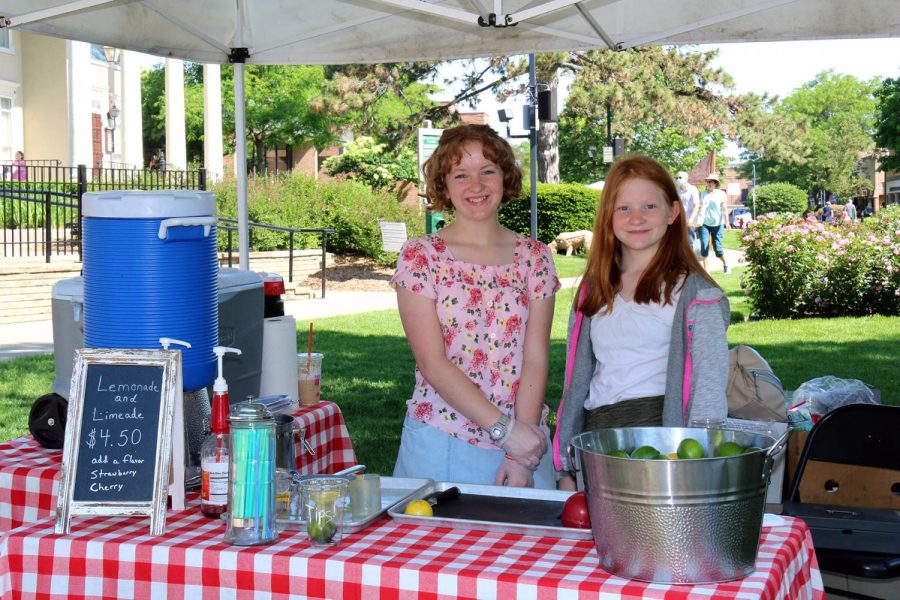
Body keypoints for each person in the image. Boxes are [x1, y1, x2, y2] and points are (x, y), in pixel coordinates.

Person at [390, 124, 560, 489]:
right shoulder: (421, 256)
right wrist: (505, 430)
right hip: (443, 438)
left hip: (523, 445)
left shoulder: (535, 257)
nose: (476, 186)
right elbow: (433, 363)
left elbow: (536, 358)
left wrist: (519, 451)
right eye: (461, 175)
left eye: (487, 171)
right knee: (440, 547)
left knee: (529, 546)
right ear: (444, 187)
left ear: (505, 177)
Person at [553, 155, 730, 490]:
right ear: (608, 216)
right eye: (623, 208)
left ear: (673, 213)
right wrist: (567, 467)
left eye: (649, 206)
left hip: (665, 451)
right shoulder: (594, 289)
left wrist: (695, 467)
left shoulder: (697, 296)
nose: (636, 218)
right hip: (597, 447)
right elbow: (576, 382)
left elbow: (708, 394)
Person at [698, 172, 729, 273]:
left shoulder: (721, 194)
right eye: (707, 181)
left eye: (711, 181)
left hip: (717, 224)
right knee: (704, 245)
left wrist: (727, 222)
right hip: (704, 224)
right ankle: (706, 271)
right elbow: (700, 208)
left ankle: (726, 264)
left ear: (715, 183)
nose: (709, 183)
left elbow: (724, 209)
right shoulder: (703, 194)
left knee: (718, 249)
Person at [675, 170, 701, 245]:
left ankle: (689, 256)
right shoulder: (676, 190)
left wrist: (691, 219)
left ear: (686, 179)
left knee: (689, 243)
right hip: (678, 219)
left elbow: (696, 205)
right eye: (676, 178)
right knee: (677, 242)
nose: (677, 179)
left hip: (689, 220)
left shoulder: (693, 189)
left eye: (680, 177)